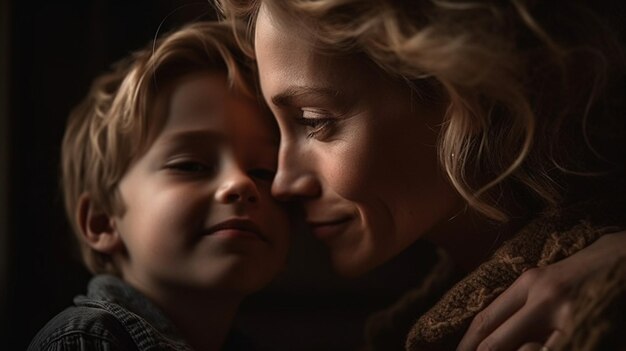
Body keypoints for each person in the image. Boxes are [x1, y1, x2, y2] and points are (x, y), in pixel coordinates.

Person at [217, 0, 626, 350]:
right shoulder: (411, 324)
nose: (283, 182)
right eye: (277, 130)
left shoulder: (586, 318)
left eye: (314, 121)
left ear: (465, 92)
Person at [28, 21, 290, 351]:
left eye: (264, 171)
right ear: (102, 221)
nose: (241, 182)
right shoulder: (89, 340)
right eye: (191, 166)